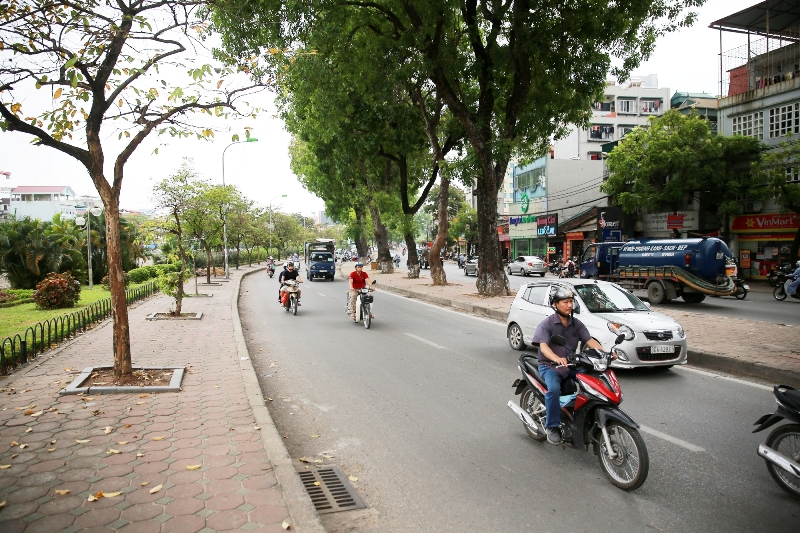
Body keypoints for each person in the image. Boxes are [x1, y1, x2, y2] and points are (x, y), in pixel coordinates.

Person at [532, 286, 605, 445]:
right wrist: (557, 358)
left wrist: (604, 353)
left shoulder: (576, 323)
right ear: (555, 304)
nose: (569, 305)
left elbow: (590, 341)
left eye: (571, 301)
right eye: (565, 302)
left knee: (592, 380)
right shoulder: (547, 324)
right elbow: (543, 346)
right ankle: (552, 426)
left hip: (571, 365)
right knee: (553, 389)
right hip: (551, 366)